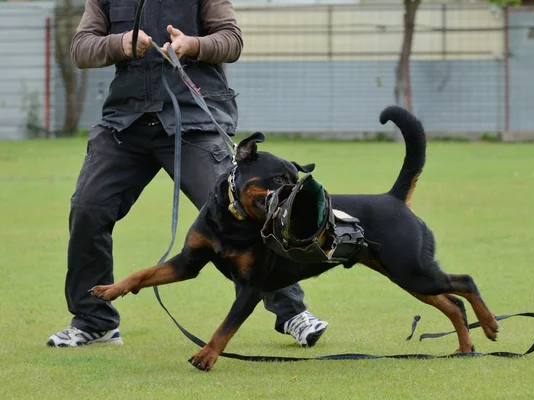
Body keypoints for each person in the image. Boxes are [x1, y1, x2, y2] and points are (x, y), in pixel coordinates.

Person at [47, 0, 328, 348]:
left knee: (241, 209)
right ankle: (94, 321)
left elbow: (231, 40)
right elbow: (81, 49)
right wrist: (118, 44)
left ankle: (292, 313)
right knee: (88, 208)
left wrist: (193, 44)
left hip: (195, 121)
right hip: (126, 123)